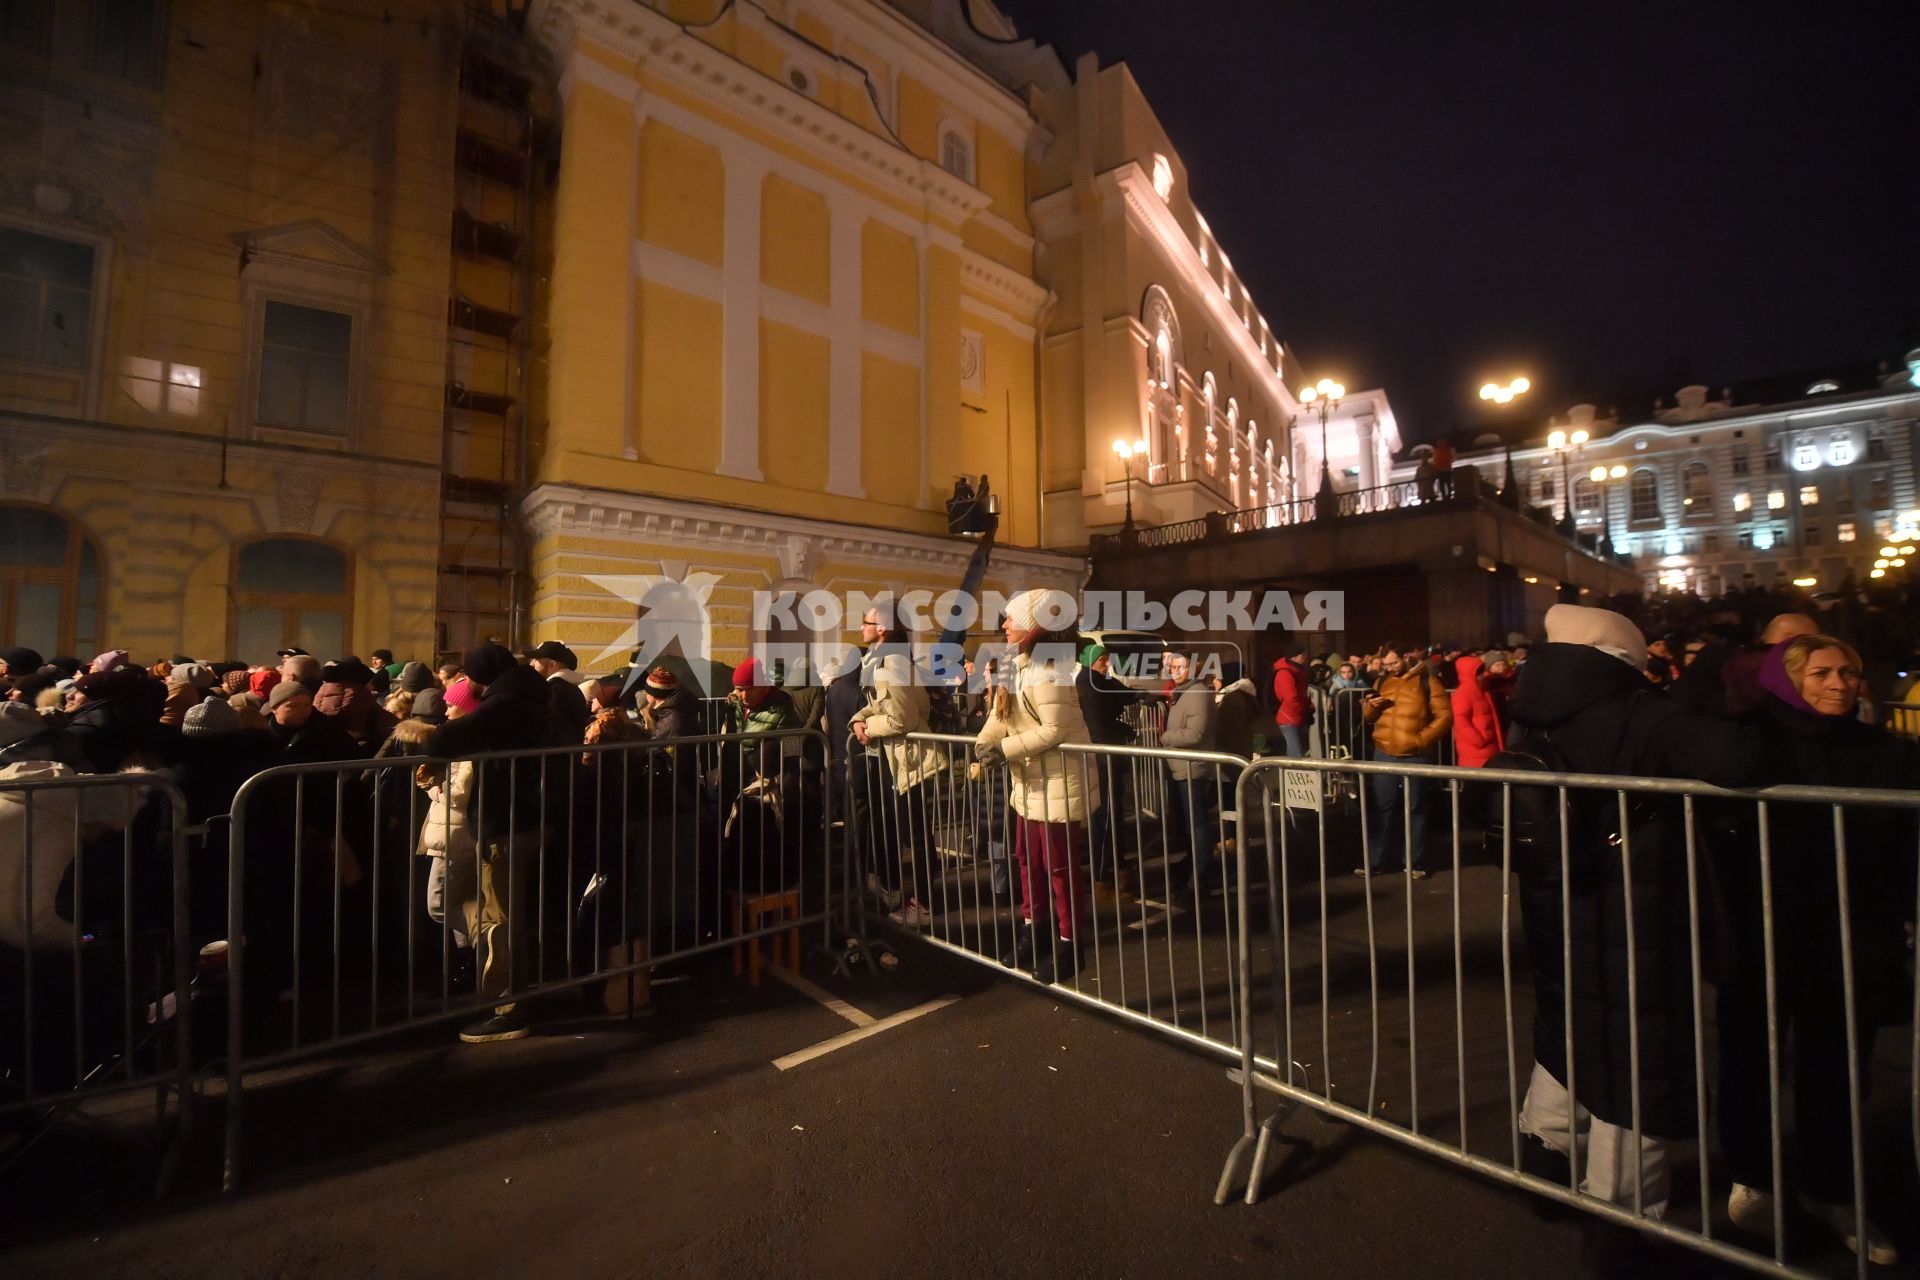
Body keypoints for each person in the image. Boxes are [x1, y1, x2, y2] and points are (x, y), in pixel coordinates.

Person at [1506, 604, 1760, 1220]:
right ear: (1622, 659)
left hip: (1555, 892)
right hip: (1633, 900)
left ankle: (1546, 1154)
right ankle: (1621, 1213)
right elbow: (1740, 760)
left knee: (1566, 1019)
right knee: (1634, 1047)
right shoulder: (1638, 712)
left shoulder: (1530, 704)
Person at [1713, 635, 1908, 1265]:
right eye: (1821, 671)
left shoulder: (1885, 752)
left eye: (1849, 671)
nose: (1840, 682)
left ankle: (1832, 1191)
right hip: (1763, 931)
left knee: (1841, 1068)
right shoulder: (1751, 744)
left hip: (1853, 934)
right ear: (1787, 679)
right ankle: (1753, 1179)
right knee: (1750, 1057)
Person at [424, 643, 562, 1045]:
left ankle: (508, 1007)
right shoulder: (531, 693)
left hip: (508, 822)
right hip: (528, 819)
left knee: (498, 917)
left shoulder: (506, 702)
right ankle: (508, 995)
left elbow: (443, 740)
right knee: (498, 911)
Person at [972, 589, 1097, 984]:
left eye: (1011, 619)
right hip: (1030, 782)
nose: (1004, 625)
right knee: (1026, 860)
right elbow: (1000, 714)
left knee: (1059, 867)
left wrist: (1004, 749)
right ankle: (1033, 931)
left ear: (1034, 625)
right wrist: (984, 742)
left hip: (1059, 780)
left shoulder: (1050, 667)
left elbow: (1055, 729)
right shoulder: (1016, 664)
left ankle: (1069, 943)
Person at [851, 625, 949, 927]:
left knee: (917, 838)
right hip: (904, 761)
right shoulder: (888, 661)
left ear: (883, 629)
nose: (862, 627)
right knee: (914, 835)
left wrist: (869, 728)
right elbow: (881, 706)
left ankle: (924, 905)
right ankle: (920, 901)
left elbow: (902, 718)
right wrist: (858, 720)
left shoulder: (893, 663)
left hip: (911, 761)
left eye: (867, 621)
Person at [1358, 648, 1451, 876]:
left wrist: (1421, 740)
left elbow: (1445, 716)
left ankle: (1414, 861)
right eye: (1386, 664)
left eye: (1393, 663)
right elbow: (1368, 718)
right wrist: (1372, 707)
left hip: (1415, 755)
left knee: (1415, 808)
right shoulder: (1381, 682)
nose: (1389, 668)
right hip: (1383, 752)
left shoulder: (1428, 681)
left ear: (1406, 657)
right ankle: (1375, 861)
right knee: (1382, 808)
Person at [1160, 652, 1223, 896]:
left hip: (1193, 767)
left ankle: (1200, 881)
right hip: (1182, 767)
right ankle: (1193, 872)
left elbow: (1195, 734)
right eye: (1173, 666)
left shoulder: (1196, 693)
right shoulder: (1185, 692)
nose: (1176, 671)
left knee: (1198, 826)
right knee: (1190, 826)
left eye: (1182, 667)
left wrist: (1166, 738)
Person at [528, 640, 591, 741]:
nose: (532, 663)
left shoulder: (556, 690)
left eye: (537, 659)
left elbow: (552, 730)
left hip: (555, 755)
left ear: (552, 664)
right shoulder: (566, 687)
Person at [1449, 652, 1504, 768]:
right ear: (1468, 674)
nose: (1482, 674)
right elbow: (1460, 721)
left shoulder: (1482, 691)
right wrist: (1479, 740)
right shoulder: (1463, 694)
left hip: (1489, 751)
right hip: (1475, 753)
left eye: (1482, 671)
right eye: (1478, 672)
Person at [1270, 647, 1313, 757]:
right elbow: (1291, 698)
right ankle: (1294, 772)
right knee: (1296, 753)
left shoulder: (1297, 671)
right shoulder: (1285, 673)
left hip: (1294, 716)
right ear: (1294, 657)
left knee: (1298, 750)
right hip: (1289, 717)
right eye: (1302, 655)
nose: (1304, 657)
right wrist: (1305, 710)